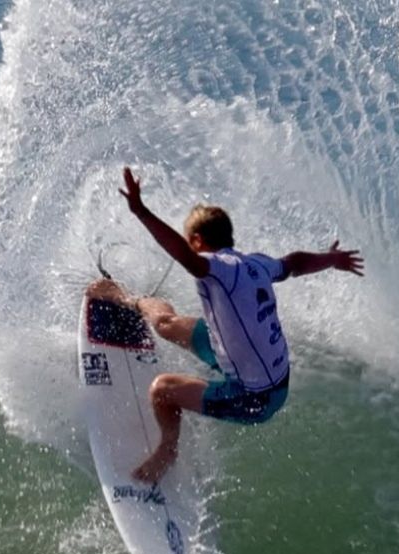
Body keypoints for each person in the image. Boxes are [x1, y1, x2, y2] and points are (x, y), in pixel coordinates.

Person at [114, 167, 364, 483]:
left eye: (191, 245)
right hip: (254, 365)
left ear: (197, 240)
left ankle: (168, 450)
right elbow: (293, 263)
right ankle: (131, 301)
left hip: (255, 397)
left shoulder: (217, 268)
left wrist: (141, 211)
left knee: (162, 391)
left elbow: (187, 258)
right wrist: (331, 259)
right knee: (166, 325)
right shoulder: (256, 264)